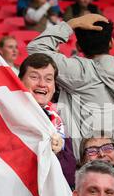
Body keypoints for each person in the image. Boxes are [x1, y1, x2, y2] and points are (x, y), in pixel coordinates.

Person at [27, 14, 114, 159]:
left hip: (87, 167)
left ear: (78, 46)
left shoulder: (82, 71)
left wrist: (71, 24)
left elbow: (35, 49)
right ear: (111, 43)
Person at [18, 53, 76, 187]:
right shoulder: (6, 115)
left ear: (54, 86)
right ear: (19, 81)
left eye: (48, 79)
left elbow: (69, 175)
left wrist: (59, 153)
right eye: (34, 77)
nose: (42, 84)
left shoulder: (58, 122)